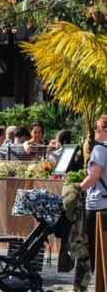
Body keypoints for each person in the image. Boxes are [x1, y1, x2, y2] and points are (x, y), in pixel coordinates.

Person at [77, 115, 107, 283]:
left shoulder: (100, 149)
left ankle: (98, 284)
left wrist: (78, 188)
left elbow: (94, 176)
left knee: (95, 250)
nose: (95, 132)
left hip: (98, 205)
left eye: (97, 129)